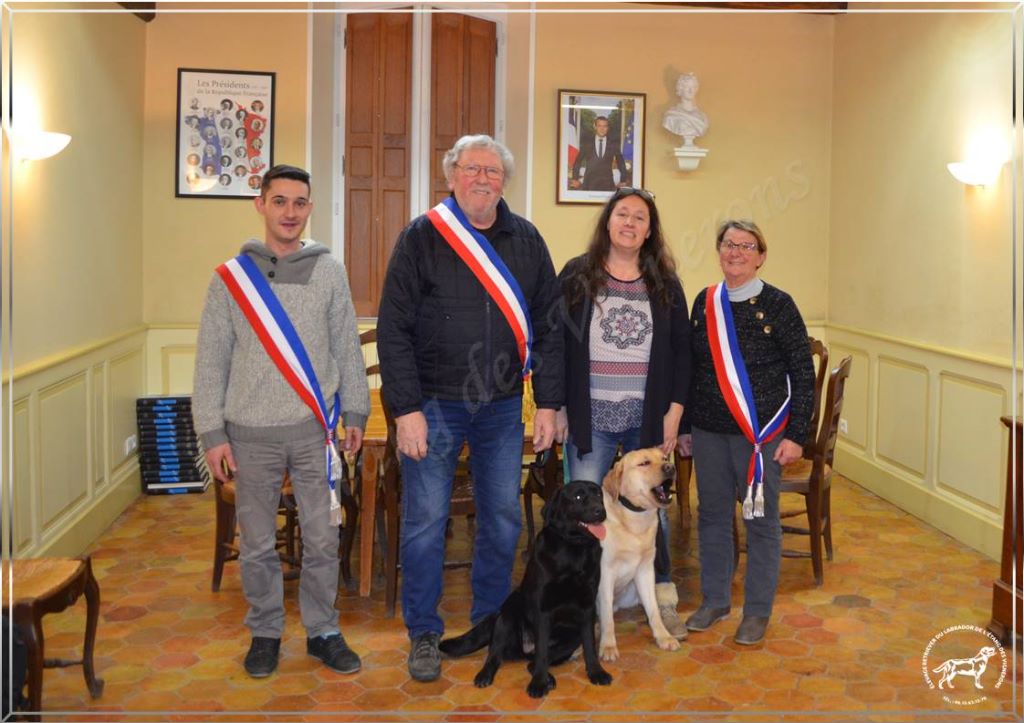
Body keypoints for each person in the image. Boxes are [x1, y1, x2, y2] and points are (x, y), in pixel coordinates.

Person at [377, 134, 563, 684]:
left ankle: (489, 620)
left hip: (503, 408)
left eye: (493, 170)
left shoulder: (526, 240)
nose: (482, 178)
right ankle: (425, 633)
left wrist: (549, 402)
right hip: (433, 405)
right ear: (451, 175)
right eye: (471, 168)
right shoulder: (422, 237)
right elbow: (393, 328)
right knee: (426, 523)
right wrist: (404, 408)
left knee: (504, 519)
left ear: (504, 180)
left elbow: (551, 328)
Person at [192, 165, 371, 679]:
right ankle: (266, 631)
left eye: (299, 203)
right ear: (261, 204)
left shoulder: (329, 271)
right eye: (280, 201)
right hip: (248, 434)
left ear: (310, 208)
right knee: (257, 543)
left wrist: (354, 410)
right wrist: (212, 434)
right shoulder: (230, 278)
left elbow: (345, 347)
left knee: (321, 538)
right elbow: (211, 360)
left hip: (314, 432)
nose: (290, 212)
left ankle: (323, 630)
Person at [555, 186, 692, 639]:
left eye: (639, 218)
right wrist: (555, 406)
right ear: (607, 222)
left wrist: (674, 413)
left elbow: (681, 354)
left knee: (655, 509)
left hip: (646, 417)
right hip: (588, 416)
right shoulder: (578, 275)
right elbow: (554, 343)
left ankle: (664, 597)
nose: (630, 223)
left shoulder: (665, 284)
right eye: (622, 215)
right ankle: (580, 607)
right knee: (586, 510)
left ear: (650, 230)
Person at [679, 220, 814, 646]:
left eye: (746, 245)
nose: (735, 252)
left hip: (760, 436)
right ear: (718, 251)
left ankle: (757, 611)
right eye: (728, 244)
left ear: (760, 255)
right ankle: (716, 600)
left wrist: (796, 435)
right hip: (708, 431)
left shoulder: (779, 304)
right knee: (714, 516)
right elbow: (690, 368)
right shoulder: (705, 301)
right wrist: (684, 428)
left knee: (758, 520)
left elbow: (802, 374)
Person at [570, 116, 629, 191]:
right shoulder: (587, 143)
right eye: (599, 126)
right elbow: (578, 161)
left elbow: (621, 162)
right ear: (595, 127)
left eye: (605, 126)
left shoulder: (613, 144)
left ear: (608, 128)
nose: (602, 129)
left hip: (608, 184)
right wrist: (575, 179)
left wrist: (623, 180)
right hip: (589, 183)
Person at [662, 73, 709, 147]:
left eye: (693, 87)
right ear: (680, 89)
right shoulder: (672, 115)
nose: (691, 90)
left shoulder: (702, 116)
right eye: (687, 87)